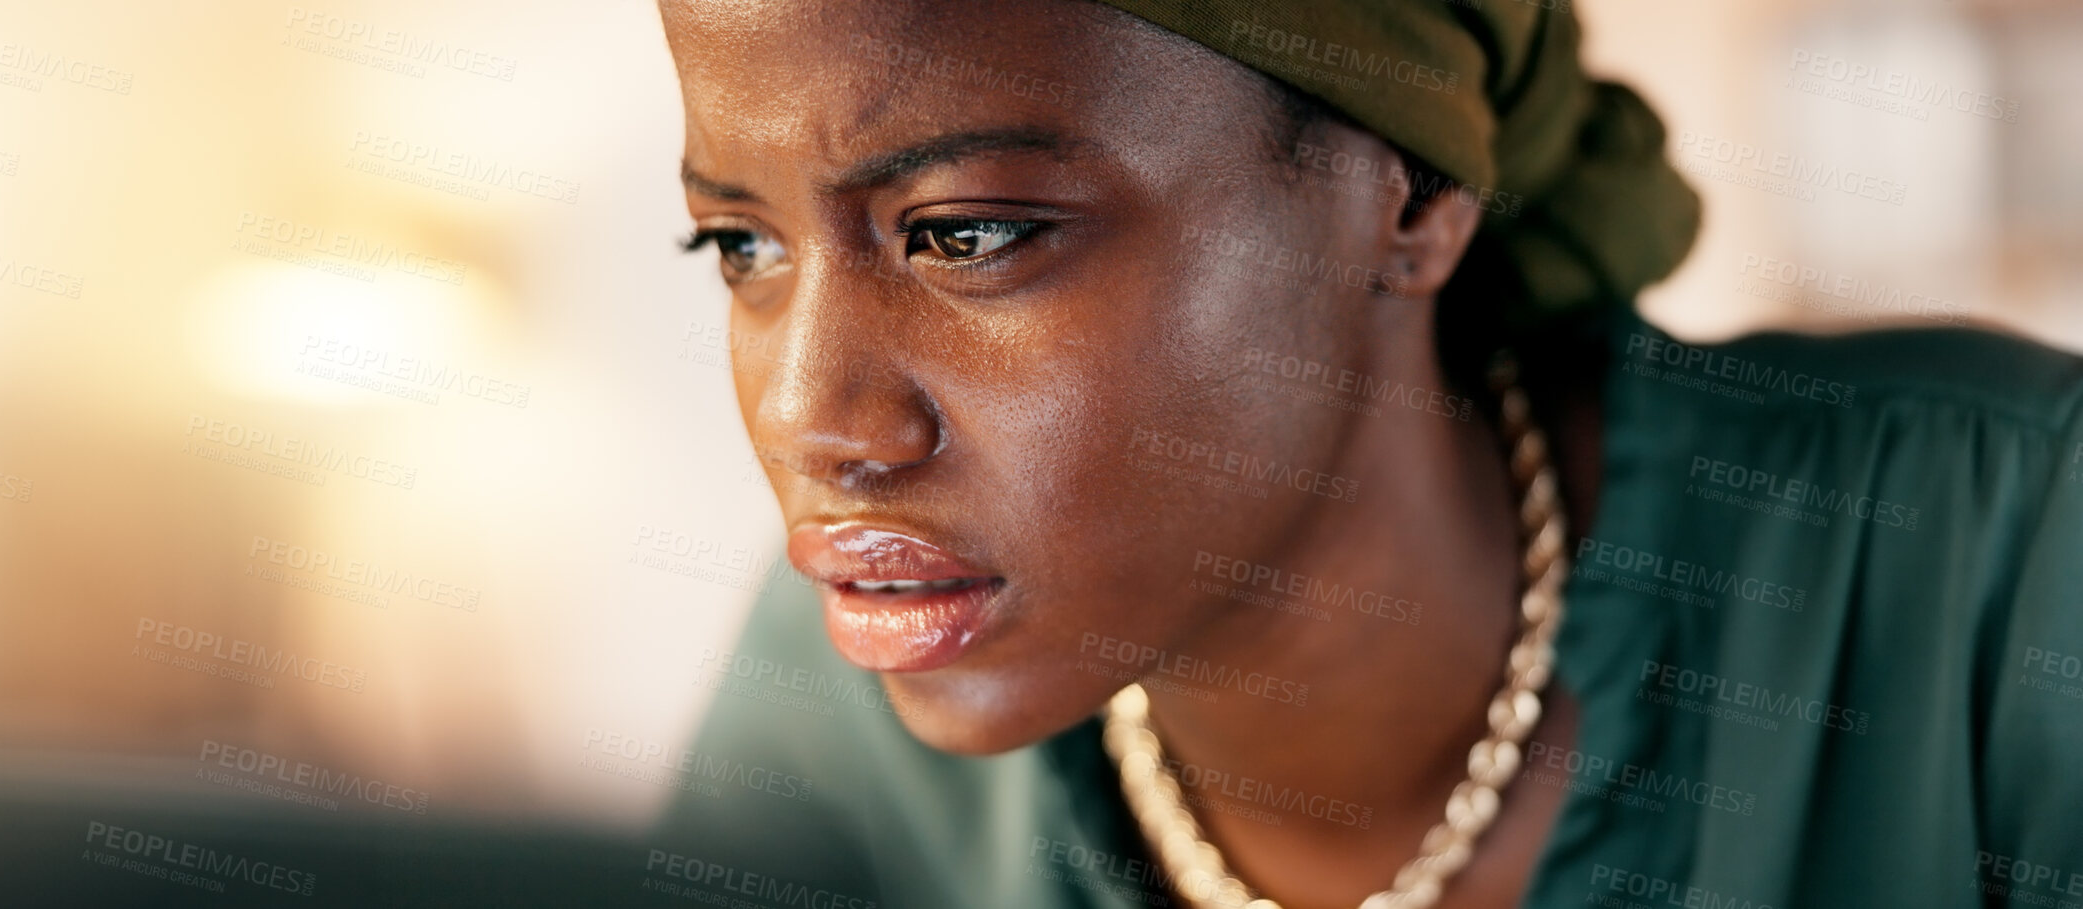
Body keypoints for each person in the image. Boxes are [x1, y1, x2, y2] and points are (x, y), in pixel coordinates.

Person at [636, 1, 2083, 906]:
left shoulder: (2012, 556)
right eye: (740, 246)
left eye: (970, 233)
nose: (813, 421)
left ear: (1413, 200)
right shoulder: (844, 692)